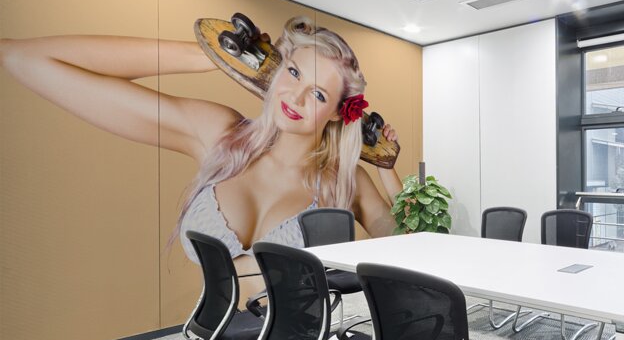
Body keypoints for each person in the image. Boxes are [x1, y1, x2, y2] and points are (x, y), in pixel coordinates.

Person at [0, 16, 402, 286]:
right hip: (217, 339)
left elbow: (411, 250)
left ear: (338, 113)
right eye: (293, 73)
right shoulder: (219, 135)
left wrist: (387, 168)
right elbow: (23, 58)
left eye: (317, 94)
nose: (294, 97)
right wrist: (213, 53)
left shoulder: (345, 181)